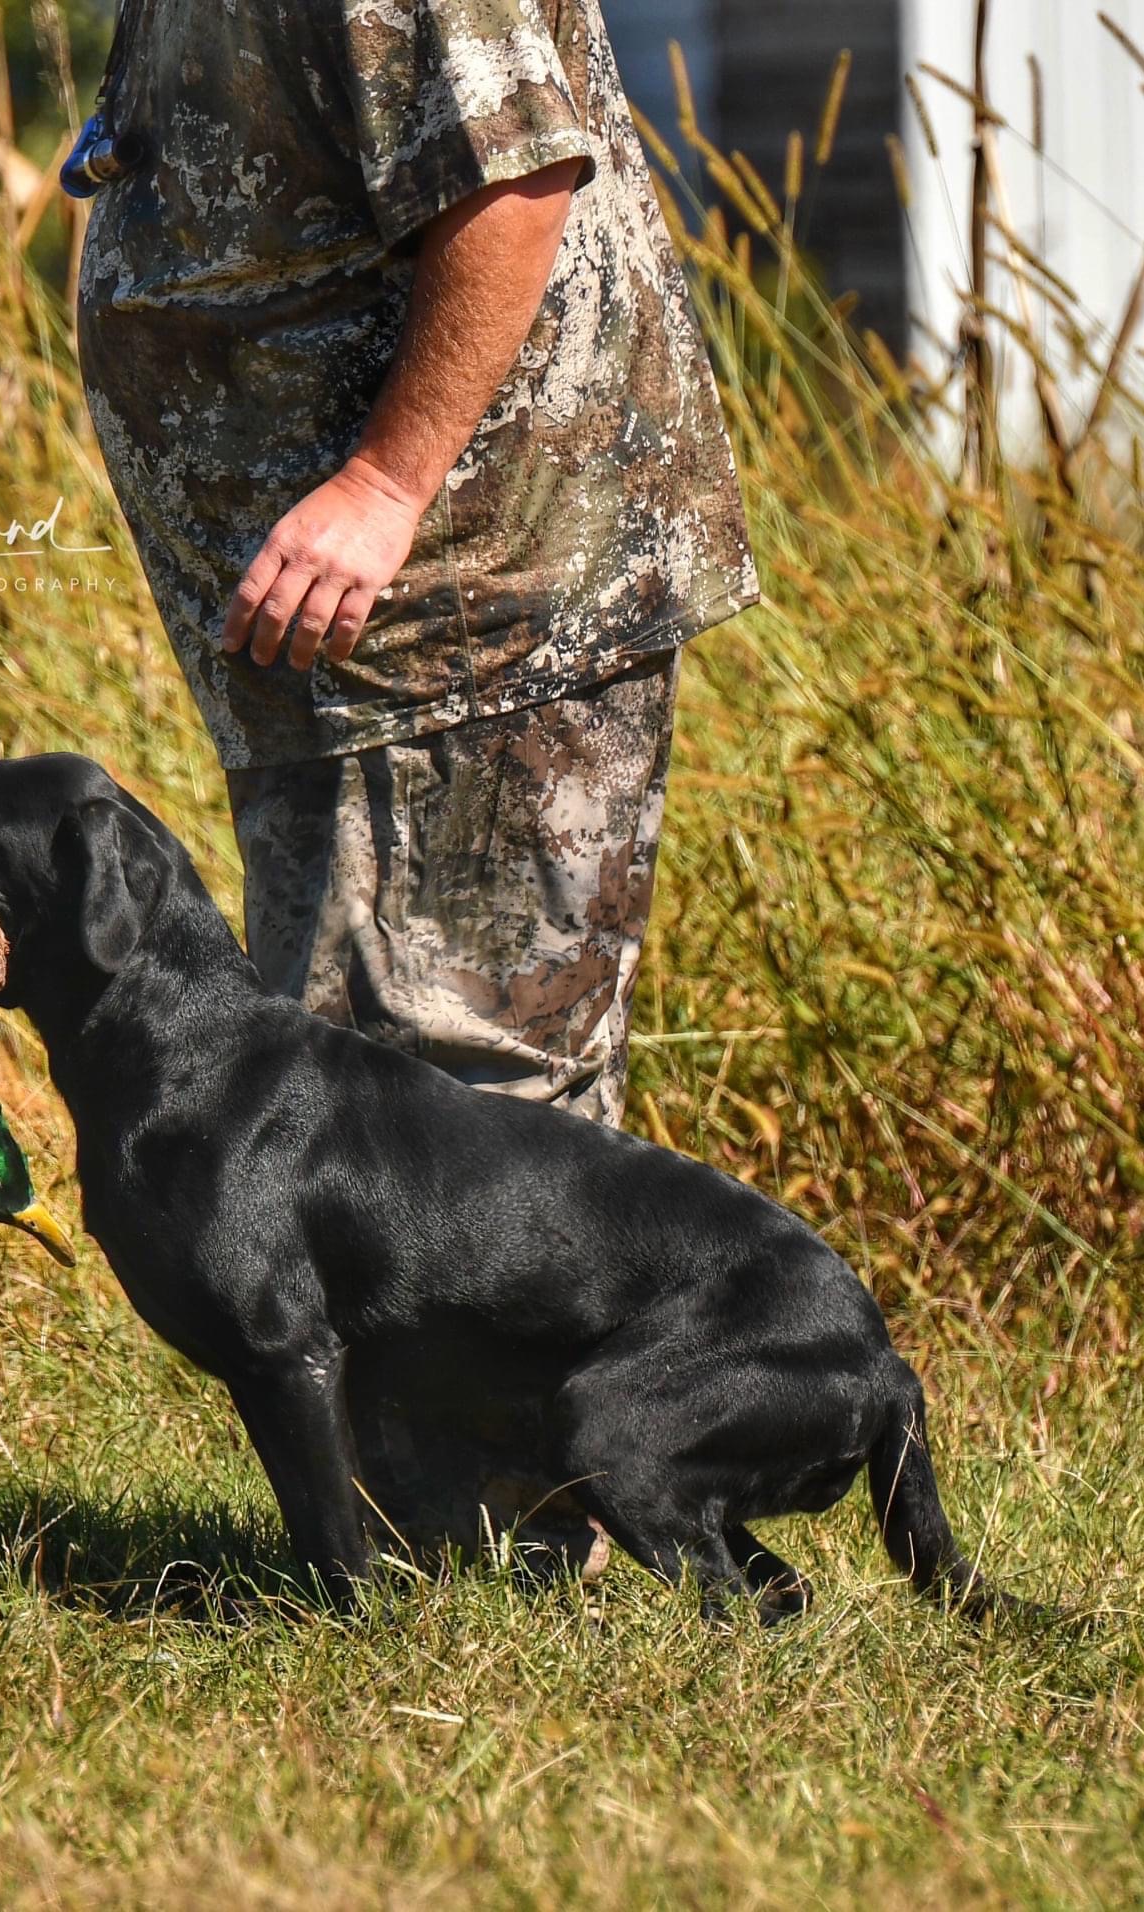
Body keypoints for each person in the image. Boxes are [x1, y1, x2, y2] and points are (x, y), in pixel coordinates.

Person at [73, 0, 757, 1573]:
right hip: (346, 651)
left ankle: (508, 1572)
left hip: (470, 601)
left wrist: (383, 487)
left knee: (456, 1080)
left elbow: (510, 183)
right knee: (352, 1077)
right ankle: (435, 1549)